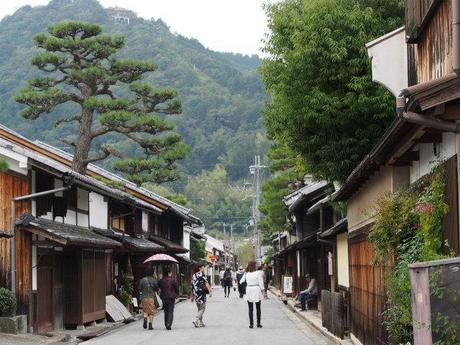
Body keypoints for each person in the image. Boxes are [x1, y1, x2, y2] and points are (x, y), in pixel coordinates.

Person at [240, 260, 265, 328]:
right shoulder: (258, 273)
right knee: (258, 308)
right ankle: (258, 323)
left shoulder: (246, 273)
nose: (257, 266)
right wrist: (263, 291)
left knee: (250, 308)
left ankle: (251, 324)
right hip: (256, 289)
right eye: (256, 265)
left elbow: (241, 281)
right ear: (254, 266)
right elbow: (261, 282)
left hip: (249, 289)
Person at [191, 263, 212, 328]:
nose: (204, 269)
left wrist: (192, 295)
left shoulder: (194, 275)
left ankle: (200, 322)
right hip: (201, 292)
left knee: (199, 308)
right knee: (202, 308)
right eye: (203, 267)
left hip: (195, 293)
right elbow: (206, 283)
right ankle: (196, 320)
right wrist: (210, 291)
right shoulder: (202, 274)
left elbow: (192, 285)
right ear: (200, 268)